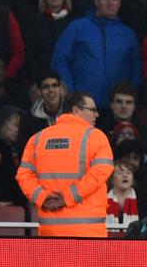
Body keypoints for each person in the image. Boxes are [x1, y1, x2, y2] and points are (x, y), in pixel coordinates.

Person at [16, 92, 114, 237]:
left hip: (50, 231)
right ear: (76, 110)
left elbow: (24, 176)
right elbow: (100, 173)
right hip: (89, 231)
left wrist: (43, 198)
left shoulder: (38, 138)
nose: (97, 114)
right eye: (92, 110)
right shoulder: (95, 136)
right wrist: (66, 198)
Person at [51, 0, 141, 109]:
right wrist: (71, 91)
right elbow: (60, 60)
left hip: (117, 108)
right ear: (96, 1)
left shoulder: (128, 34)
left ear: (120, 2)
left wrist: (130, 95)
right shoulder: (77, 27)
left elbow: (136, 67)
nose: (110, 3)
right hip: (82, 104)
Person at [106, 160, 141, 226]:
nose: (125, 175)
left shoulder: (141, 203)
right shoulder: (102, 202)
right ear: (111, 180)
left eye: (128, 173)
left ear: (133, 179)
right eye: (119, 173)